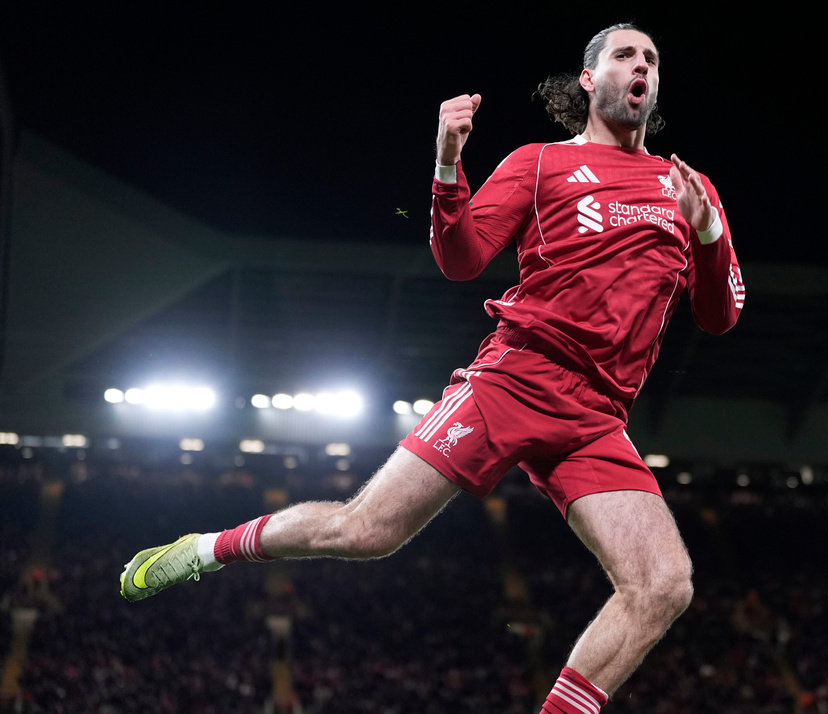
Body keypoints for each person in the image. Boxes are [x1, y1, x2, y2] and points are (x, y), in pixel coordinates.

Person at [120, 22, 744, 713]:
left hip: (596, 416)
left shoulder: (688, 190)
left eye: (651, 59)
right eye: (626, 55)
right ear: (590, 82)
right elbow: (462, 258)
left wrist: (710, 234)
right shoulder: (541, 163)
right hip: (515, 378)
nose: (642, 66)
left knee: (664, 584)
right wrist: (448, 164)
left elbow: (720, 315)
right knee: (367, 531)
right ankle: (209, 548)